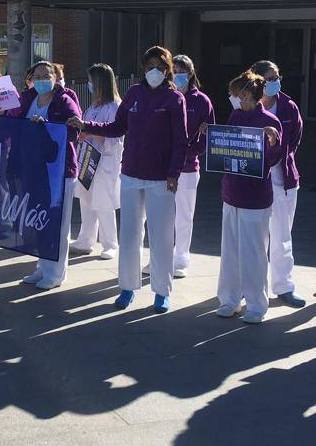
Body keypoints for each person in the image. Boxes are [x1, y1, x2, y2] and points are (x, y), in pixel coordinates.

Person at [71, 46, 188, 312]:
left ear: (167, 69)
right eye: (149, 67)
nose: (154, 72)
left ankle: (161, 291)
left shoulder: (174, 99)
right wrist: (86, 126)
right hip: (132, 175)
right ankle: (127, 287)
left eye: (159, 67)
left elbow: (181, 141)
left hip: (160, 179)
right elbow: (117, 127)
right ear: (143, 69)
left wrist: (173, 173)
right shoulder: (134, 93)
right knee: (130, 235)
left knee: (160, 237)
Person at [217, 70, 283, 324]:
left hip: (255, 196)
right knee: (230, 249)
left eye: (237, 94)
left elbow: (274, 159)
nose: (233, 98)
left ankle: (256, 305)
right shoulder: (235, 116)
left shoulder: (269, 121)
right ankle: (229, 299)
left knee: (254, 251)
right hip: (231, 192)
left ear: (248, 95)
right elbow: (224, 148)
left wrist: (273, 142)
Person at [11, 61, 82, 290]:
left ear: (55, 77)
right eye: (37, 76)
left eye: (46, 75)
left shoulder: (64, 100)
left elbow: (74, 130)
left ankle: (55, 274)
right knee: (40, 219)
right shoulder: (27, 98)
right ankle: (42, 266)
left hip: (60, 170)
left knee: (57, 223)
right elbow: (14, 122)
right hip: (34, 169)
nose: (41, 80)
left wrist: (47, 126)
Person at [251, 59, 306, 308]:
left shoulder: (289, 107)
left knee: (282, 235)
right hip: (253, 180)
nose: (275, 82)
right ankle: (250, 286)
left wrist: (277, 157)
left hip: (283, 179)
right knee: (254, 236)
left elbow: (294, 140)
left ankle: (283, 285)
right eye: (269, 78)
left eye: (277, 77)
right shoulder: (245, 105)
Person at [69, 63, 122, 261]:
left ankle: (110, 244)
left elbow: (115, 136)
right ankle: (86, 240)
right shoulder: (93, 106)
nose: (89, 85)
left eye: (91, 81)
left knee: (103, 203)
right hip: (88, 158)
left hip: (105, 161)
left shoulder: (114, 106)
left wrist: (91, 131)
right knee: (86, 200)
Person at [171, 54, 215, 279]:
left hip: (187, 167)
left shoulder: (201, 100)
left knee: (184, 215)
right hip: (163, 167)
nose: (177, 75)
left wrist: (188, 153)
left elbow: (208, 135)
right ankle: (161, 256)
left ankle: (181, 257)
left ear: (189, 73)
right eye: (174, 71)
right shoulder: (166, 96)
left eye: (181, 71)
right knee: (163, 214)